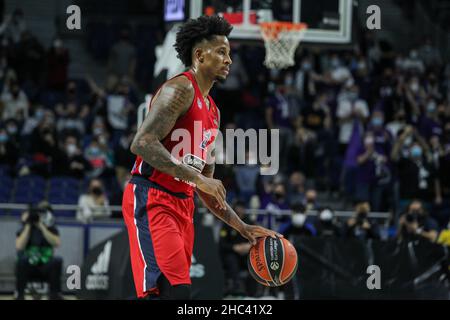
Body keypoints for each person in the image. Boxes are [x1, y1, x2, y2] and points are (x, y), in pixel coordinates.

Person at [122, 15, 281, 300]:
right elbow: (142, 142)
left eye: (229, 54)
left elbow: (206, 187)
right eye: (222, 52)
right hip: (153, 197)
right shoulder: (180, 88)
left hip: (184, 207)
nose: (229, 60)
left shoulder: (214, 112)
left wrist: (242, 227)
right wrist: (197, 179)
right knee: (170, 294)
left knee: (177, 293)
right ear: (199, 55)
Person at [15, 201, 63, 300]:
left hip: (46, 265)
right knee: (21, 260)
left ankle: (54, 295)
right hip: (30, 264)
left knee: (57, 261)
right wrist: (28, 225)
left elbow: (57, 243)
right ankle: (20, 295)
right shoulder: (26, 228)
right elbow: (19, 246)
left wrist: (42, 227)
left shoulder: (51, 228)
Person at [218, 200, 254, 297]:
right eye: (238, 208)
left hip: (246, 252)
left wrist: (249, 246)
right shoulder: (227, 222)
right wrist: (234, 247)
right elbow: (222, 244)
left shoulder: (250, 222)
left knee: (255, 261)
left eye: (242, 208)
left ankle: (253, 291)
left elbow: (256, 240)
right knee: (231, 260)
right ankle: (237, 288)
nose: (240, 210)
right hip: (232, 253)